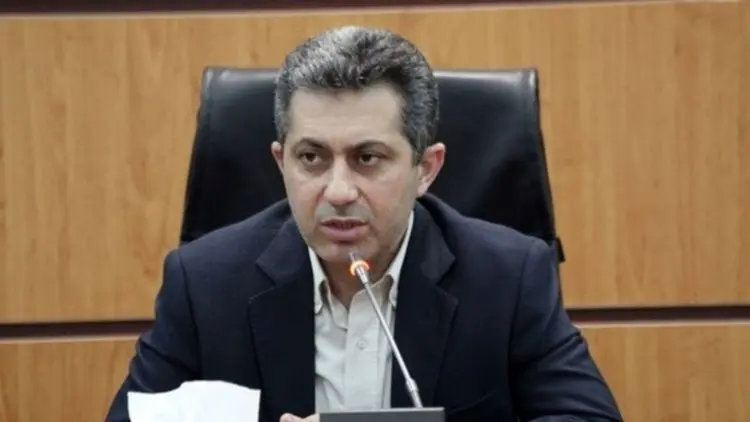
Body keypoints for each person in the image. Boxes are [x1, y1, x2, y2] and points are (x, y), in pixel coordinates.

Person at [106, 26, 622, 422]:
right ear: (281, 161)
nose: (338, 191)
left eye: (368, 158)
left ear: (426, 168)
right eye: (311, 157)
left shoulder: (508, 277)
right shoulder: (204, 284)